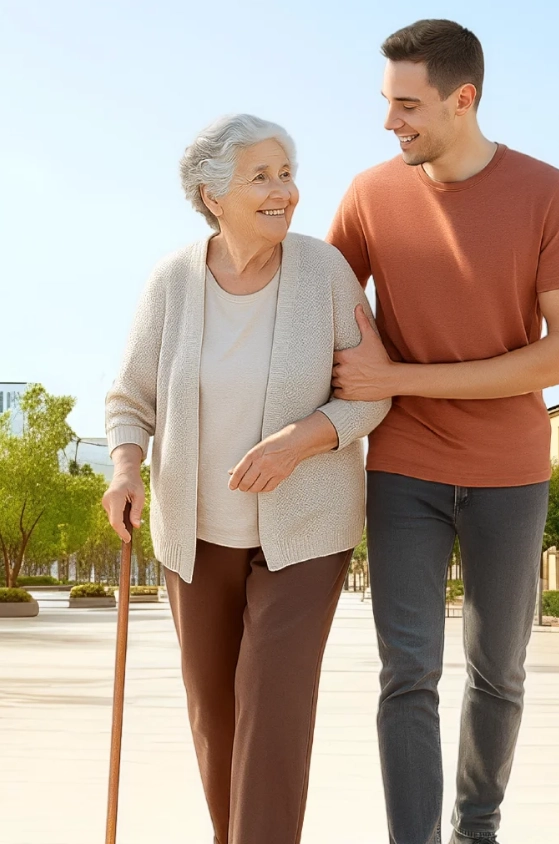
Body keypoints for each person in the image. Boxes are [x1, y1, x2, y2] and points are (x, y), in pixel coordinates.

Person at [328, 20, 559, 844]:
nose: (389, 123)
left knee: (499, 673)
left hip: (511, 472)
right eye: (386, 104)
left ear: (462, 99)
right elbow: (321, 308)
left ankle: (475, 830)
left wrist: (399, 377)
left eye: (407, 105)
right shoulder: (370, 196)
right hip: (402, 470)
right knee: (406, 674)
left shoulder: (547, 192)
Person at [102, 113, 390, 844]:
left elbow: (372, 390)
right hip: (194, 536)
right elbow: (129, 398)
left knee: (274, 711)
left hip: (306, 532)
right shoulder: (173, 280)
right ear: (211, 194)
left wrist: (299, 441)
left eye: (287, 173)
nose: (284, 191)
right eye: (261, 176)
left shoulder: (323, 271)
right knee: (215, 718)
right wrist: (126, 468)